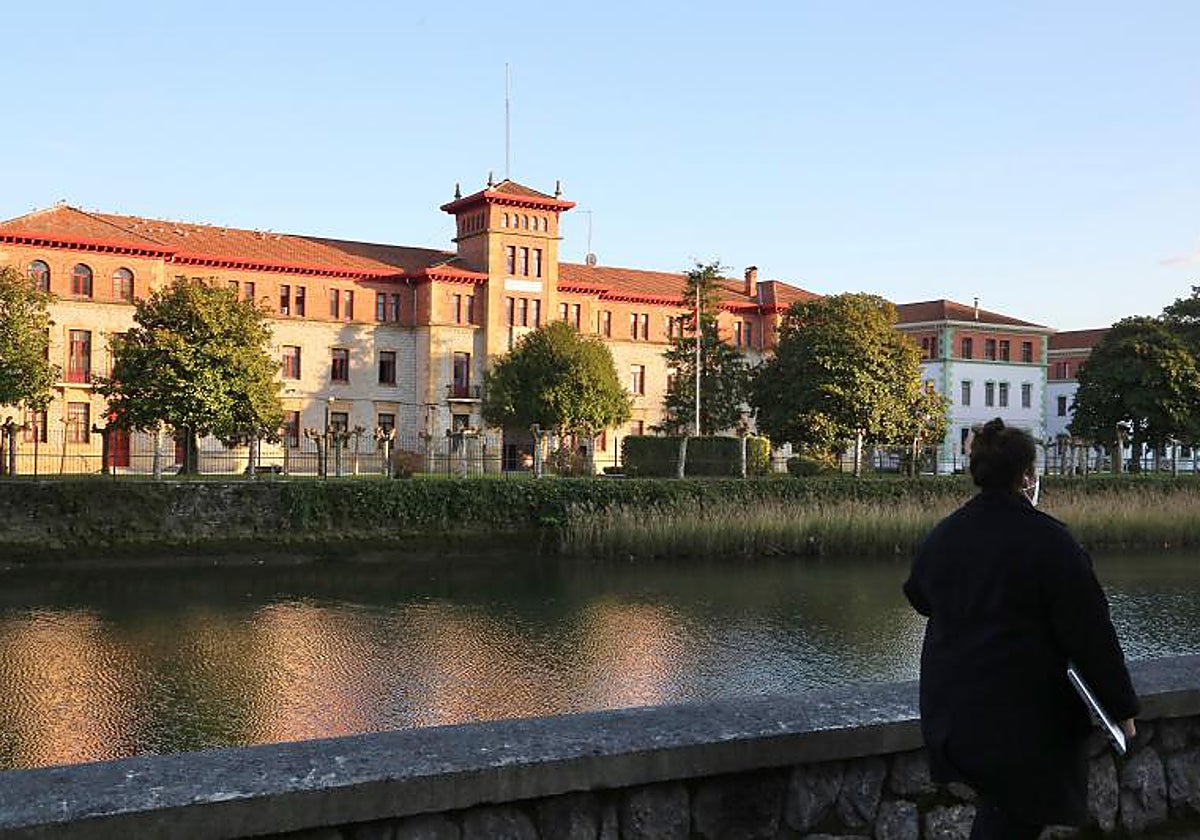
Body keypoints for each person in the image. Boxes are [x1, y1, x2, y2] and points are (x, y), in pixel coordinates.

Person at [904, 418, 1138, 839]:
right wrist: (1121, 709)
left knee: (1001, 815)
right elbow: (1091, 635)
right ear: (1027, 474)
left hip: (955, 714)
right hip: (1023, 723)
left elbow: (919, 596)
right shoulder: (1051, 542)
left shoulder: (945, 536)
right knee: (1012, 818)